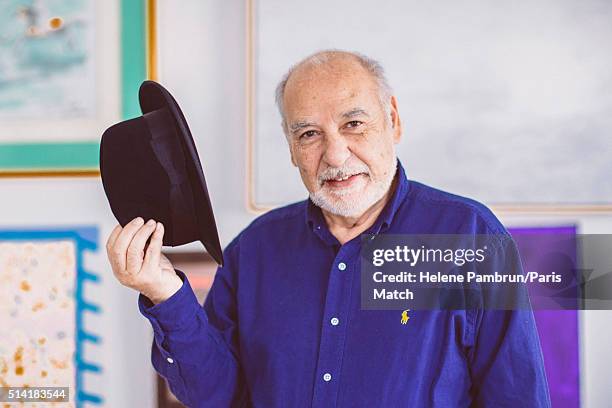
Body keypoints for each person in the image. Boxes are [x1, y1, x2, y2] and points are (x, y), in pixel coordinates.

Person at [105, 50, 551, 407]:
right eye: (309, 134)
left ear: (392, 120)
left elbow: (517, 396)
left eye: (353, 124)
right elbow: (214, 396)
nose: (336, 156)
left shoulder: (470, 237)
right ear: (291, 147)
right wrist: (165, 293)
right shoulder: (254, 252)